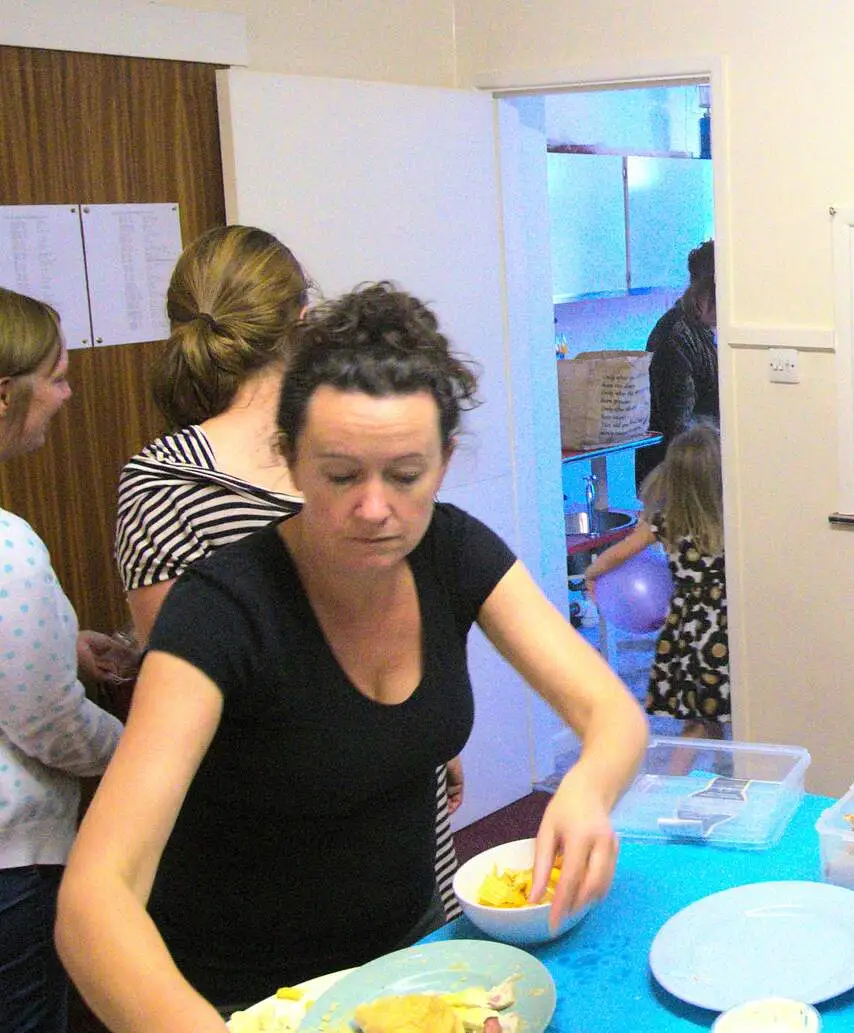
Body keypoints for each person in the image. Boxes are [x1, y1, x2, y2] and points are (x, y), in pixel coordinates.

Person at [58, 283, 648, 1026]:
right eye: (341, 475)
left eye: (406, 475)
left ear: (444, 459)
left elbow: (611, 714)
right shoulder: (223, 609)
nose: (375, 509)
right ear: (290, 459)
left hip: (409, 962)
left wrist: (587, 790)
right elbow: (93, 899)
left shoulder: (455, 550)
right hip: (240, 996)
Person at [113, 225, 464, 920]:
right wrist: (405, 734)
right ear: (304, 323)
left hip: (256, 842)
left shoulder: (155, 483)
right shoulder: (361, 458)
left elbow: (182, 680)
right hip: (345, 843)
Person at [0, 287, 128, 1033]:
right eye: (56, 376)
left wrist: (60, 639)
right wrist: (142, 751)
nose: (67, 393)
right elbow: (50, 724)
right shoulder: (9, 547)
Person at [588, 421, 728, 744]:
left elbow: (619, 553)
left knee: (700, 715)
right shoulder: (730, 519)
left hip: (689, 628)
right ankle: (701, 774)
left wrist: (593, 572)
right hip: (726, 625)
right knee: (716, 711)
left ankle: (712, 771)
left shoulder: (665, 522)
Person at [635, 240, 716, 490]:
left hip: (696, 475)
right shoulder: (676, 338)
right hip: (677, 484)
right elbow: (679, 431)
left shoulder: (701, 331)